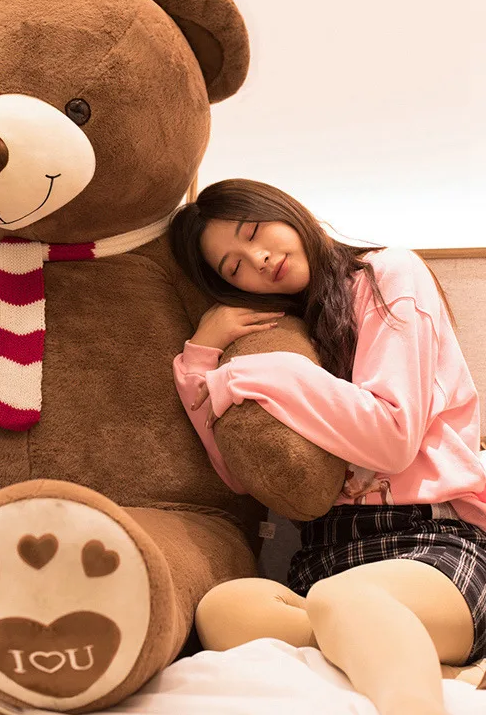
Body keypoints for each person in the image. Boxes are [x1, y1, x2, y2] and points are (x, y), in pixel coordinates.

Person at [169, 178, 486, 715]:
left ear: (285, 210)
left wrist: (262, 373)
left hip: (433, 539)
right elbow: (240, 475)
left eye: (255, 231)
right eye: (234, 267)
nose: (258, 258)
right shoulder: (284, 331)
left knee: (347, 600)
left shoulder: (386, 273)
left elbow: (392, 439)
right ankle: (411, 656)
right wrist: (201, 355)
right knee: (224, 609)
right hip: (325, 551)